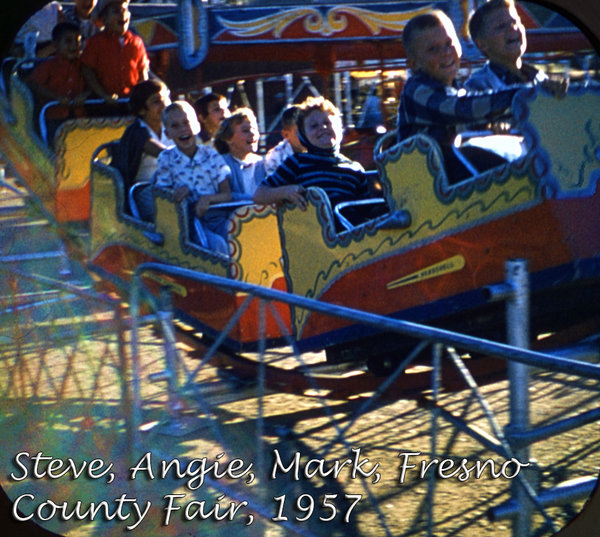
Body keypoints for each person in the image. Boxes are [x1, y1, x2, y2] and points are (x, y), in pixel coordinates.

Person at [397, 10, 523, 184]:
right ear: (414, 63)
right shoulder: (416, 89)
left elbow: (473, 118)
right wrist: (519, 95)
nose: (446, 53)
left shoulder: (458, 91)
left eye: (449, 43)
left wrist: (494, 128)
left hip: (451, 182)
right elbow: (459, 110)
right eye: (433, 49)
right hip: (427, 184)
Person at [254, 96, 381, 222]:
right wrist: (285, 192)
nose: (323, 128)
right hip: (313, 232)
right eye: (314, 126)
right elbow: (259, 195)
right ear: (303, 135)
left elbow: (365, 208)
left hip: (348, 230)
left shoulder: (354, 168)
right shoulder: (297, 162)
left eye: (328, 123)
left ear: (339, 127)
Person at [153, 101, 232, 254]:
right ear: (167, 134)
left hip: (217, 216)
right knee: (217, 246)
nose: (183, 129)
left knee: (236, 239)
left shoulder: (212, 155)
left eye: (187, 123)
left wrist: (208, 199)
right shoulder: (166, 158)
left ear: (196, 126)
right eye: (175, 126)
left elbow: (227, 195)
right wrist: (175, 195)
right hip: (189, 220)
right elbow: (162, 196)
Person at [466, 0, 568, 96]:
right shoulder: (477, 86)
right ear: (482, 44)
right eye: (501, 26)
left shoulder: (540, 77)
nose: (513, 28)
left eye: (516, 22)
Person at [111, 79, 172, 214]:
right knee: (173, 206)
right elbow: (162, 152)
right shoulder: (136, 132)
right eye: (156, 102)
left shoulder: (173, 126)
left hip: (173, 185)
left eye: (166, 99)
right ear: (141, 110)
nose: (164, 105)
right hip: (144, 189)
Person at [27, 22, 90, 145]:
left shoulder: (84, 66)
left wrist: (85, 95)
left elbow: (92, 85)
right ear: (56, 45)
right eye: (68, 41)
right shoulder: (50, 65)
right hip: (55, 116)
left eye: (78, 41)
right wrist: (56, 97)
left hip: (78, 117)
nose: (74, 46)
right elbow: (33, 84)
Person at [81, 0, 149, 107]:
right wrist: (103, 95)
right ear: (104, 19)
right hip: (102, 104)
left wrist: (140, 95)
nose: (122, 14)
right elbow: (87, 70)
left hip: (130, 102)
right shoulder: (96, 42)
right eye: (116, 11)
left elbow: (142, 72)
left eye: (125, 10)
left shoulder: (137, 42)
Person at [213, 107, 265, 201]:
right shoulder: (221, 164)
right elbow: (226, 196)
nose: (252, 134)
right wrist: (255, 199)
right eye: (245, 130)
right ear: (229, 139)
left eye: (254, 129)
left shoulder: (263, 163)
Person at [263, 105, 305, 176]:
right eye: (299, 132)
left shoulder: (317, 150)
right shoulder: (275, 158)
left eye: (306, 130)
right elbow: (272, 185)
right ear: (285, 134)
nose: (304, 135)